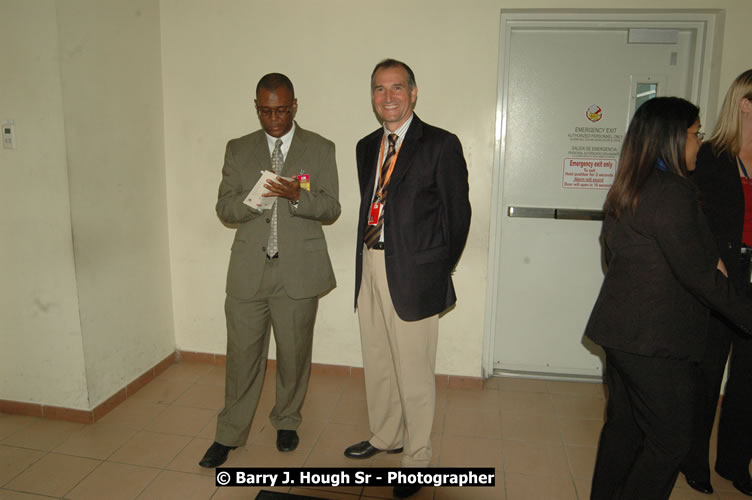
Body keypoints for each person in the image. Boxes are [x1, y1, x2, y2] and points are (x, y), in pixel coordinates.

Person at [584, 96, 752, 500]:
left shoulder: (632, 182)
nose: (699, 143)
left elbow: (614, 255)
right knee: (671, 442)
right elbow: (700, 276)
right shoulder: (672, 192)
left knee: (624, 429)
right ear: (673, 139)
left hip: (621, 331)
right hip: (654, 340)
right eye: (695, 134)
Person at [343, 58, 471, 499]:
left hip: (416, 274)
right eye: (380, 89)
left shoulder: (439, 144)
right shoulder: (364, 147)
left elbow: (459, 216)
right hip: (369, 263)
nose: (388, 97)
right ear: (373, 96)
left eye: (398, 88)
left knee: (414, 372)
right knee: (378, 361)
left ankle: (415, 458)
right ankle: (385, 436)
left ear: (413, 93)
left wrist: (437, 268)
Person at [199, 73, 340, 468]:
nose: (274, 118)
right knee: (242, 357)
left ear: (294, 106)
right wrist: (253, 201)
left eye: (281, 110)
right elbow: (224, 209)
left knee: (294, 355)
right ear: (257, 107)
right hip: (249, 271)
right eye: (266, 110)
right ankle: (229, 434)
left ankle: (287, 420)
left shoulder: (320, 148)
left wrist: (299, 196)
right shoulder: (239, 150)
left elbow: (332, 207)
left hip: (298, 270)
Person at [681, 69, 752, 496]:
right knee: (706, 373)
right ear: (745, 103)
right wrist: (714, 263)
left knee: (749, 378)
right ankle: (693, 461)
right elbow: (692, 219)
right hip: (722, 275)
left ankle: (734, 463)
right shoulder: (709, 156)